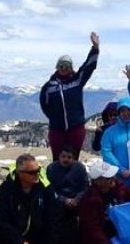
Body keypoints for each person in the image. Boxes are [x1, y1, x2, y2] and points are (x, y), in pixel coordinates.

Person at [0, 153, 62, 244]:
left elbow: (52, 219)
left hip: (36, 237)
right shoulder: (7, 189)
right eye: (31, 172)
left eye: (38, 170)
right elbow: (0, 222)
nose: (36, 174)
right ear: (20, 173)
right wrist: (20, 243)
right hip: (14, 238)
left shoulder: (45, 188)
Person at [40, 32, 100, 160]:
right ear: (57, 67)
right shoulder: (48, 87)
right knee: (57, 159)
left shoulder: (77, 80)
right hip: (57, 129)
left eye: (67, 66)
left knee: (73, 158)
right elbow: (44, 106)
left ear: (71, 67)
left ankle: (74, 180)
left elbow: (88, 67)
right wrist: (55, 118)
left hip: (76, 128)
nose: (63, 68)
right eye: (61, 65)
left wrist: (95, 48)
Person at [46, 146, 89, 244]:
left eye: (69, 157)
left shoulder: (79, 168)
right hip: (58, 200)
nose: (66, 159)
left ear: (73, 158)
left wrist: (76, 200)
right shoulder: (51, 168)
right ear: (59, 157)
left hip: (77, 199)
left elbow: (85, 187)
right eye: (63, 156)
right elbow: (50, 189)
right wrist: (64, 199)